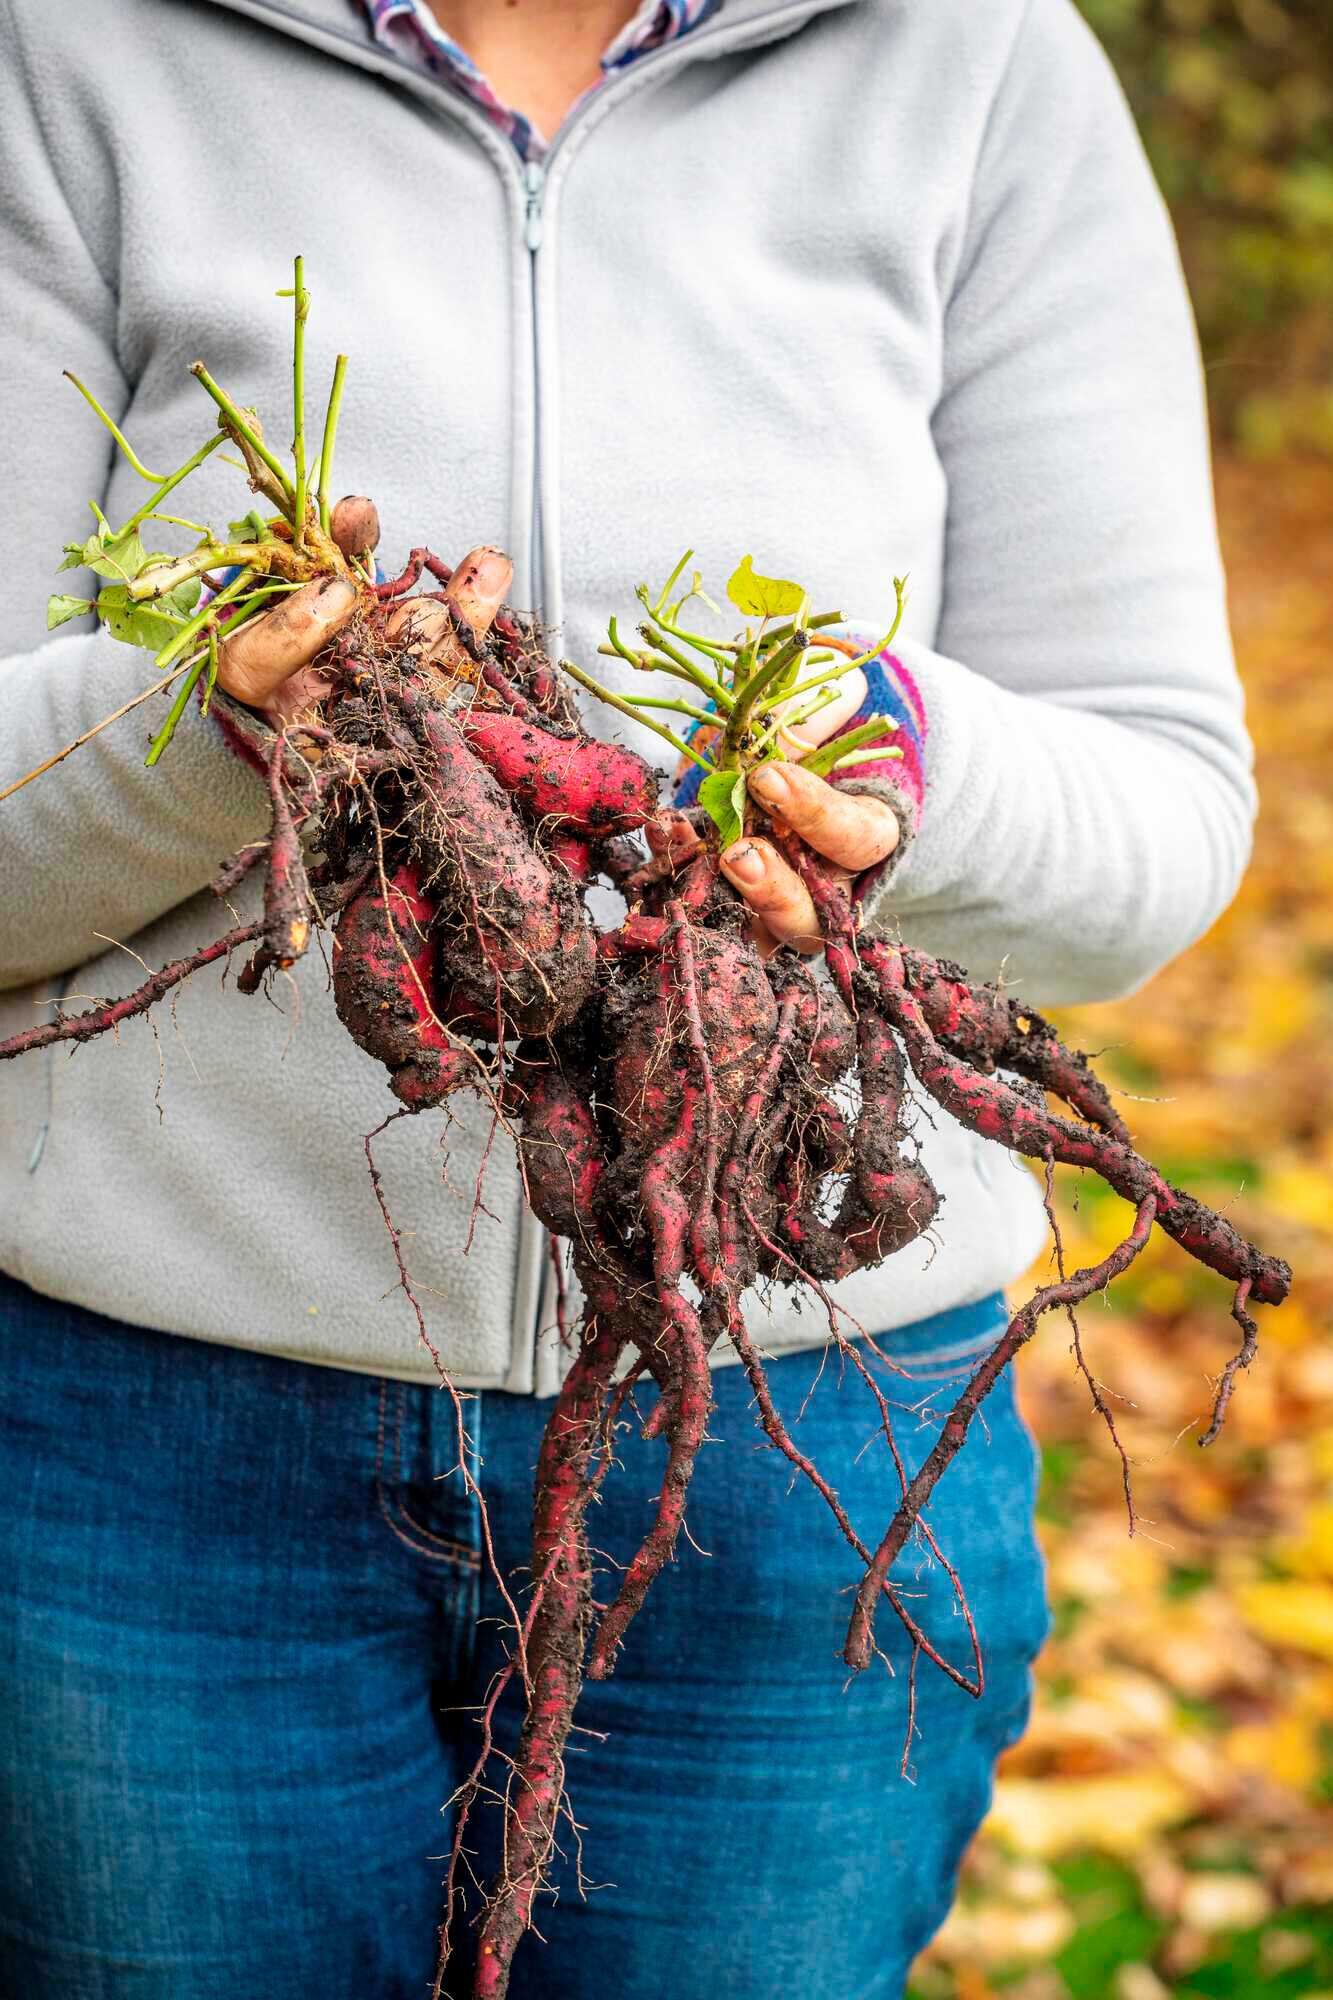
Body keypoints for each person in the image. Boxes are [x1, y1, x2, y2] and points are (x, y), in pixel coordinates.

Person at [0, 0, 1255, 1994]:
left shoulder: (980, 63)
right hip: (150, 1447)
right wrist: (220, 727)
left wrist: (911, 774)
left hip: (809, 1448)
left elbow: (1160, 817)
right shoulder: (65, 55)